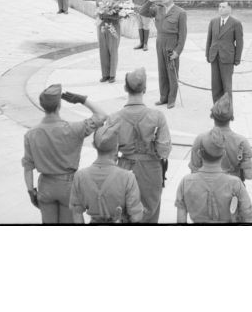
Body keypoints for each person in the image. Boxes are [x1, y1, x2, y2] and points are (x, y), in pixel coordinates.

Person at [21, 84, 107, 224]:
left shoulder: (31, 135)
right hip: (68, 186)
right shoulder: (74, 129)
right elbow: (102, 115)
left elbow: (28, 168)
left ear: (43, 106)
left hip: (45, 186)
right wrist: (82, 100)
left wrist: (31, 191)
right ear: (59, 105)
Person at [99, 68, 171, 223]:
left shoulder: (114, 118)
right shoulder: (157, 116)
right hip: (151, 171)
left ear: (125, 88)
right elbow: (164, 151)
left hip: (124, 168)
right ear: (145, 89)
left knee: (125, 215)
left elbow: (108, 154)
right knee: (150, 217)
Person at [69, 123, 145, 224]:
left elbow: (76, 213)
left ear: (94, 145)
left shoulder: (80, 176)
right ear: (116, 147)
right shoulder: (128, 177)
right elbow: (136, 217)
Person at [176, 128, 252, 223]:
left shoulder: (185, 182)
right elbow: (248, 215)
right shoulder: (235, 184)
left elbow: (181, 220)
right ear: (223, 154)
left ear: (199, 153)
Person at [189, 93, 252, 181]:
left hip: (207, 190)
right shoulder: (242, 142)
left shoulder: (200, 139)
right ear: (232, 117)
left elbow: (194, 172)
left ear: (212, 116)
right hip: (233, 190)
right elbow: (249, 175)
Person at [140, 0, 187, 109]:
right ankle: (163, 97)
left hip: (172, 42)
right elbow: (142, 12)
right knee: (162, 71)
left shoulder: (180, 12)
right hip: (160, 42)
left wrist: (178, 51)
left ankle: (171, 99)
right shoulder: (157, 8)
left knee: (172, 72)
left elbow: (183, 35)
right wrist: (151, 0)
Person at [81, 0, 121, 83]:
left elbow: (119, 12)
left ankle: (112, 75)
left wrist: (108, 13)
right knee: (103, 50)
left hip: (113, 25)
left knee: (112, 50)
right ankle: (105, 74)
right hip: (101, 25)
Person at [205, 1, 244, 102]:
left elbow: (239, 43)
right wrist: (207, 55)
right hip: (214, 56)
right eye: (219, 7)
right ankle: (216, 106)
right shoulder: (213, 21)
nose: (221, 9)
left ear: (229, 9)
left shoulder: (236, 23)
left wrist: (237, 59)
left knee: (227, 85)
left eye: (223, 7)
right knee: (215, 84)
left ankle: (227, 108)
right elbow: (209, 39)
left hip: (227, 57)